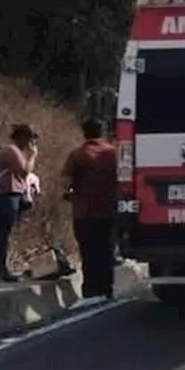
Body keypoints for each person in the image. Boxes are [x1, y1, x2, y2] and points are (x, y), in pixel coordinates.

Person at [61, 119, 118, 301]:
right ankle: (107, 287)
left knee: (88, 250)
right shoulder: (114, 154)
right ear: (103, 132)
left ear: (84, 133)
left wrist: (70, 192)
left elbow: (66, 182)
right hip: (110, 209)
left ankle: (92, 289)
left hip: (84, 211)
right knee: (107, 249)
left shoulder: (78, 155)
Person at [0, 124, 40, 282]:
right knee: (2, 234)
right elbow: (24, 171)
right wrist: (32, 156)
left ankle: (0, 269)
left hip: (10, 195)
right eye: (31, 140)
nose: (32, 144)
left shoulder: (15, 151)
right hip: (5, 195)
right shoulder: (12, 151)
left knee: (5, 234)